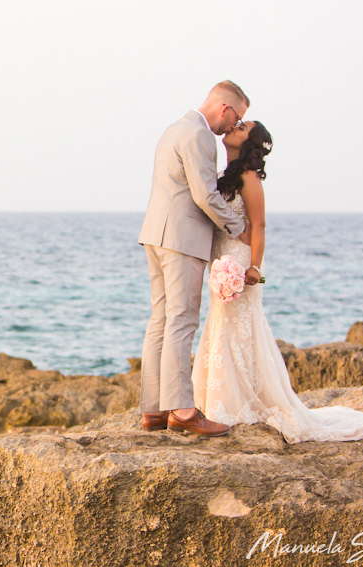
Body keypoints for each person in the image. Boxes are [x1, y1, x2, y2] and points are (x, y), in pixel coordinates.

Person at [190, 120, 363, 443]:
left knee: (238, 328)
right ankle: (216, 400)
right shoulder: (227, 176)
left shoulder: (249, 177)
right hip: (222, 260)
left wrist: (254, 267)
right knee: (221, 326)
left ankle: (238, 403)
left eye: (242, 125)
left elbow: (260, 225)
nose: (235, 126)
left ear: (250, 141)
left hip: (239, 262)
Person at [137, 81, 251, 436]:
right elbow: (204, 194)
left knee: (160, 319)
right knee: (182, 321)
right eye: (236, 119)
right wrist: (237, 226)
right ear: (225, 108)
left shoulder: (174, 129)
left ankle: (153, 411)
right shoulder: (200, 136)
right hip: (182, 240)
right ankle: (184, 411)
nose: (232, 128)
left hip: (156, 234)